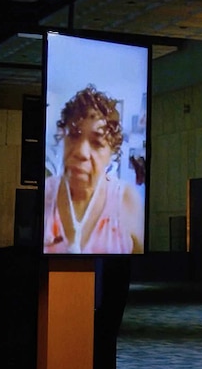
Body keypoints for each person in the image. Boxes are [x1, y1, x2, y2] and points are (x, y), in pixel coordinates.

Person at [43, 84, 143, 254]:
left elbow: (142, 273)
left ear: (112, 153)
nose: (81, 152)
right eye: (74, 135)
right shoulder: (45, 194)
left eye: (97, 143)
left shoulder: (126, 201)